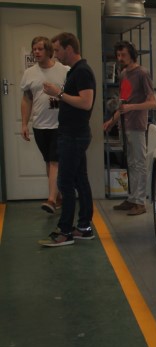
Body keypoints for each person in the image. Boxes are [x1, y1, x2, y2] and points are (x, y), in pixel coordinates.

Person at [38, 32, 96, 247]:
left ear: (69, 49)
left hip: (74, 135)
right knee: (80, 180)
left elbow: (86, 102)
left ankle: (64, 231)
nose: (55, 54)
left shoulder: (82, 71)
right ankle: (84, 227)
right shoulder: (75, 71)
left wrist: (59, 94)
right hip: (73, 133)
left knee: (65, 181)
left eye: (58, 50)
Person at [103, 40, 156, 216]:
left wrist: (131, 107)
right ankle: (132, 198)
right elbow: (123, 102)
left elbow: (153, 102)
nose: (120, 58)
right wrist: (112, 121)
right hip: (124, 124)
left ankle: (140, 201)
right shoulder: (124, 74)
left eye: (123, 55)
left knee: (139, 163)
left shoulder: (142, 73)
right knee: (131, 162)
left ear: (132, 54)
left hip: (137, 125)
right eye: (118, 55)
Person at [20, 36, 69, 214]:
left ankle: (51, 200)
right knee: (49, 162)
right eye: (34, 49)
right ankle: (59, 196)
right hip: (40, 125)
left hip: (59, 124)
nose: (36, 52)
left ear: (49, 51)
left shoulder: (64, 70)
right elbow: (26, 99)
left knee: (55, 161)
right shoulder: (29, 73)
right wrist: (24, 124)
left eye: (40, 49)